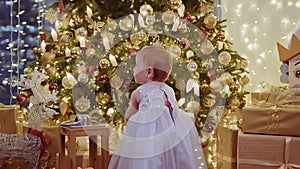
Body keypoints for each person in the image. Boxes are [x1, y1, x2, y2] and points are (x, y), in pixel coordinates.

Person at [108, 46, 207, 169]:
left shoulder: (139, 92)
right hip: (171, 138)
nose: (134, 69)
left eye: (137, 65)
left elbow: (129, 117)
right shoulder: (169, 90)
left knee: (147, 162)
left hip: (148, 141)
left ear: (149, 72)